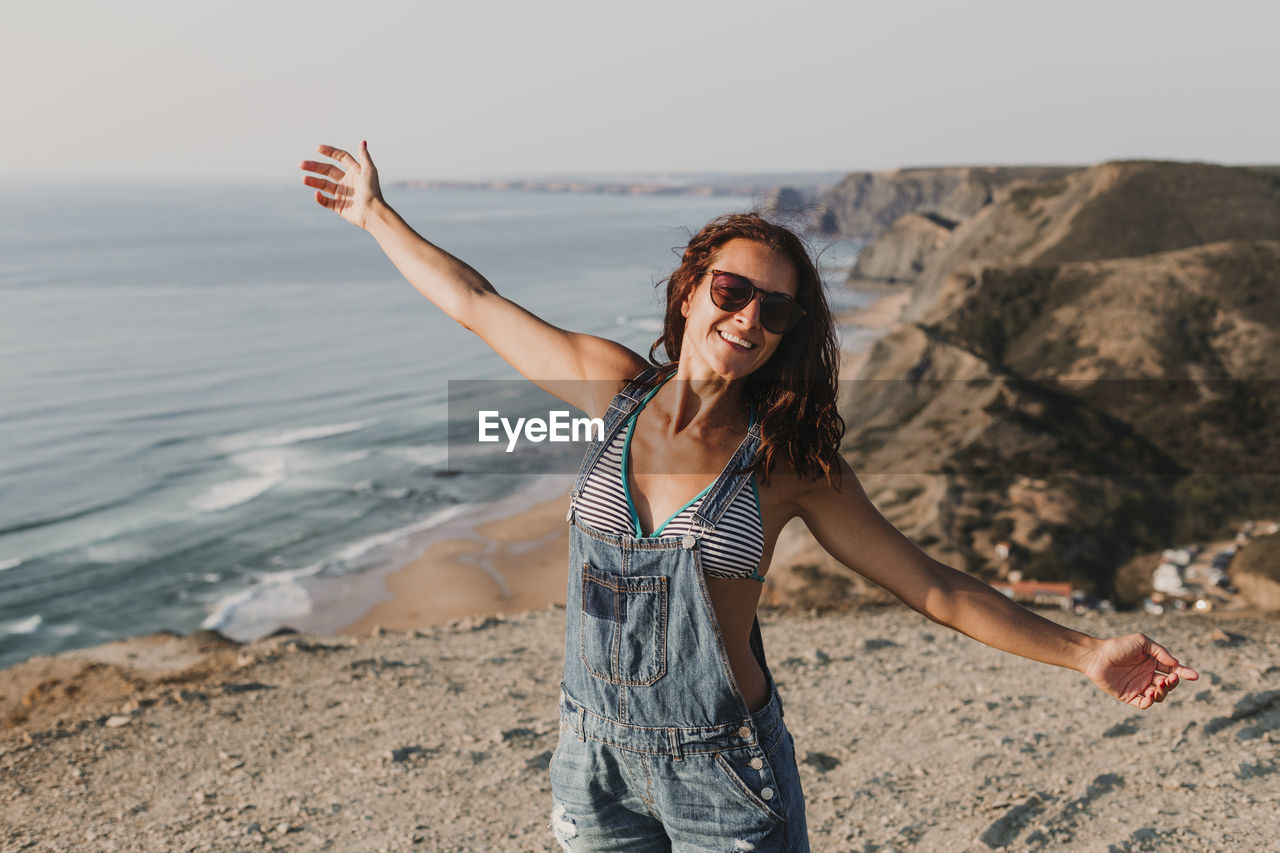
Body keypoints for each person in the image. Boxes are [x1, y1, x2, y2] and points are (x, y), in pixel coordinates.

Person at [300, 143, 1199, 852]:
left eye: (777, 311)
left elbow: (936, 587)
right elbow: (475, 301)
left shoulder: (788, 462)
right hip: (591, 760)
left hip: (720, 771)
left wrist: (1086, 654)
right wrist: (377, 214)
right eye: (733, 291)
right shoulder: (613, 391)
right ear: (691, 290)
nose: (750, 318)